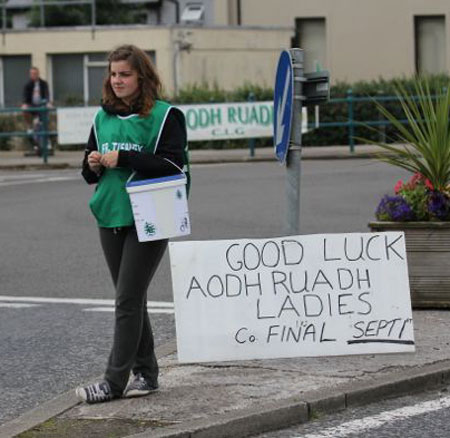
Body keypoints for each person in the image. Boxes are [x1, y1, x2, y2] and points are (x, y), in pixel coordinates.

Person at [76, 44, 189, 404]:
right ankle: (148, 373)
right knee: (132, 298)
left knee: (126, 298)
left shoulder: (165, 115)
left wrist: (124, 156)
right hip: (110, 214)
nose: (118, 80)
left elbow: (174, 167)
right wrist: (93, 163)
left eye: (125, 74)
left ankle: (113, 381)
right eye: (113, 74)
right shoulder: (102, 118)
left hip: (151, 216)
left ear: (141, 75)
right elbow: (88, 174)